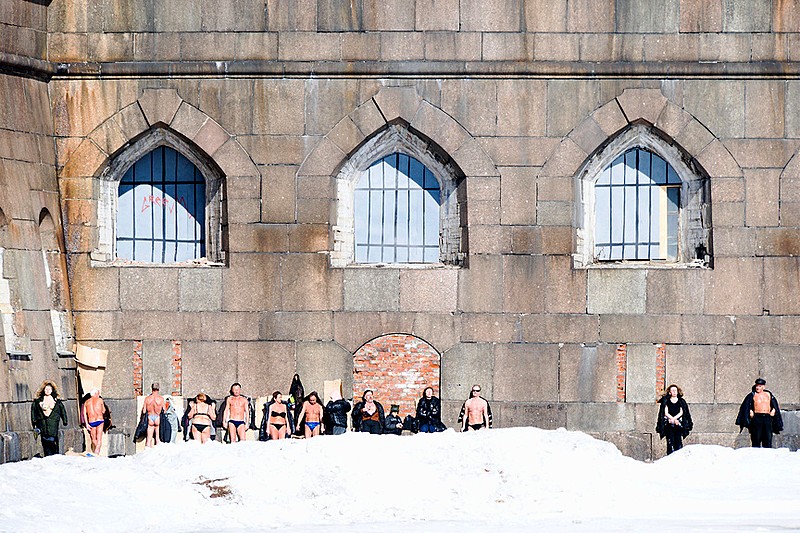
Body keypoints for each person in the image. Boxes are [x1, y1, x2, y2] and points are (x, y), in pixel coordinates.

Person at [736, 378, 783, 448]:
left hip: (767, 416)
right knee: (756, 436)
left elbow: (774, 404)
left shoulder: (768, 394)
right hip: (757, 417)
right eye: (757, 386)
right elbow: (747, 405)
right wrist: (750, 411)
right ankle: (756, 452)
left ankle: (768, 451)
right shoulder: (752, 395)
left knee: (768, 436)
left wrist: (774, 410)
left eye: (760, 386)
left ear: (764, 387)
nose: (758, 387)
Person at [31, 380, 68, 457]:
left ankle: (53, 455)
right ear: (43, 390)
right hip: (42, 424)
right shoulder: (38, 401)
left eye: (49, 389)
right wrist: (34, 421)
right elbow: (34, 411)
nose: (47, 391)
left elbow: (62, 410)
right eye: (46, 389)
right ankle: (48, 456)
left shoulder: (56, 401)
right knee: (45, 441)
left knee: (52, 440)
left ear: (52, 390)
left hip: (53, 424)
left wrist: (65, 420)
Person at [655, 384, 693, 455]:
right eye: (672, 390)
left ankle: (679, 455)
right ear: (669, 392)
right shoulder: (666, 401)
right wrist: (671, 419)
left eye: (675, 390)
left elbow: (682, 412)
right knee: (670, 440)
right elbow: (664, 412)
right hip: (668, 422)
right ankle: (670, 454)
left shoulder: (681, 401)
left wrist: (675, 419)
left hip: (678, 422)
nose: (674, 392)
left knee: (678, 440)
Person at [142, 382, 166, 448]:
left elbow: (144, 411)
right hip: (157, 417)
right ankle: (157, 451)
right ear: (158, 389)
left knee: (149, 438)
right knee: (157, 437)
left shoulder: (147, 399)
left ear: (151, 389)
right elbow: (164, 410)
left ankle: (147, 450)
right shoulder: (161, 399)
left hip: (150, 417)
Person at [83, 389, 106, 454]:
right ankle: (97, 451)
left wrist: (87, 424)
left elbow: (84, 414)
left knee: (93, 439)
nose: (99, 395)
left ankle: (96, 452)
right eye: (98, 393)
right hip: (100, 420)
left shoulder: (86, 402)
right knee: (99, 438)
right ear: (95, 394)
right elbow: (103, 411)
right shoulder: (100, 400)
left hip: (91, 421)